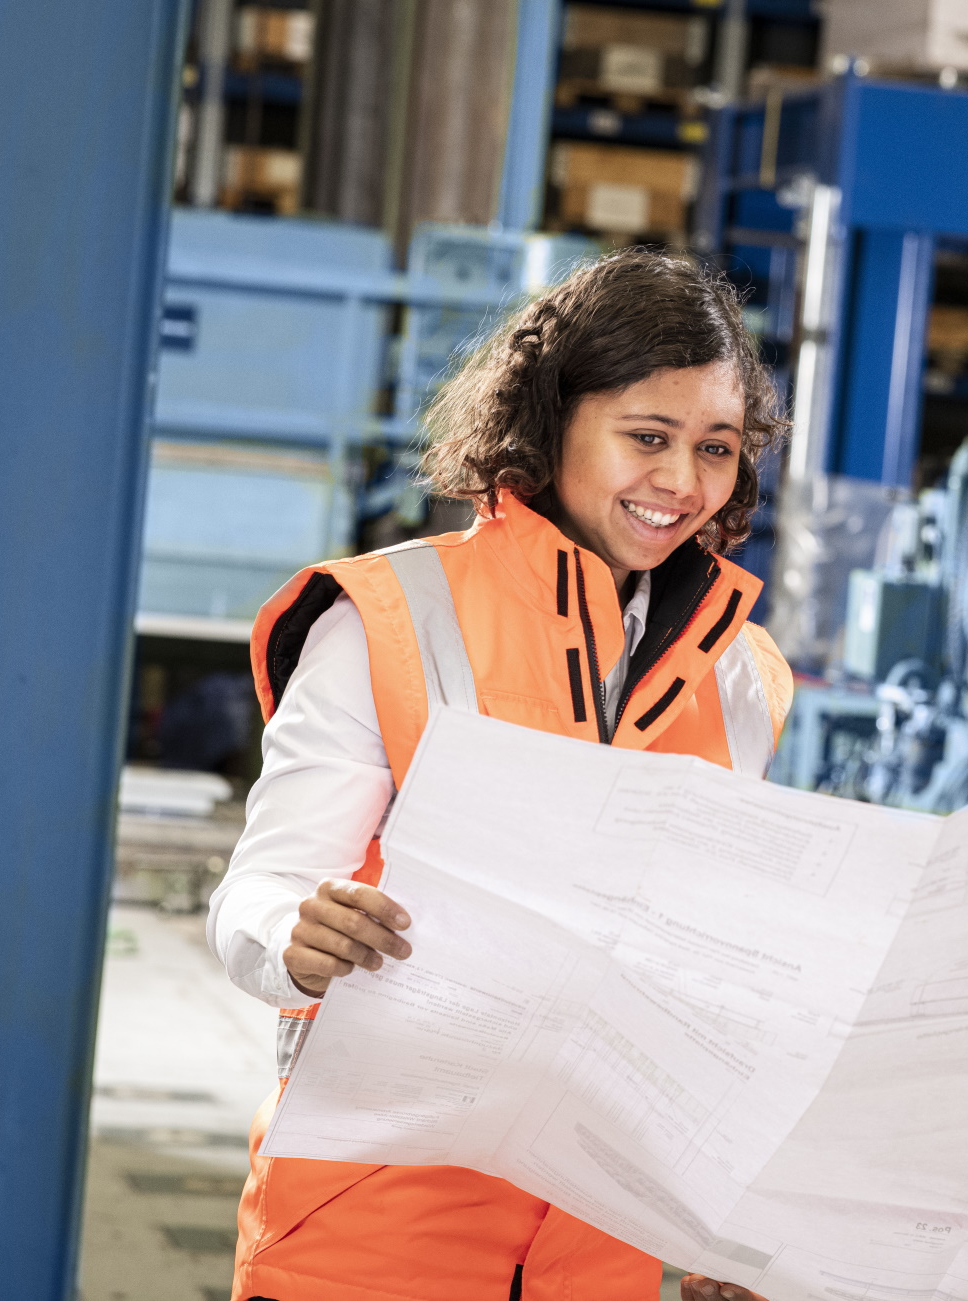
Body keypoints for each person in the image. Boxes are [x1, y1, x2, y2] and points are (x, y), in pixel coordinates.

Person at [207, 249, 794, 1301]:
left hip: (599, 1240)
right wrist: (295, 938)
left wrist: (727, 1224)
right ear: (554, 418)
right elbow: (256, 890)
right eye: (646, 436)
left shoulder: (742, 674)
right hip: (374, 1225)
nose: (681, 482)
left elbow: (715, 978)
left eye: (716, 447)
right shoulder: (389, 616)